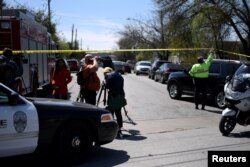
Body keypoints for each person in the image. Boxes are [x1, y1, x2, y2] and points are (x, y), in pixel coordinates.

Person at [103, 67, 126, 138]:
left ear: (106, 73)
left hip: (113, 97)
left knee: (111, 113)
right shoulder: (120, 76)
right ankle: (119, 129)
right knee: (118, 113)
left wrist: (105, 82)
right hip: (120, 96)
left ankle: (111, 129)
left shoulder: (109, 77)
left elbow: (107, 87)